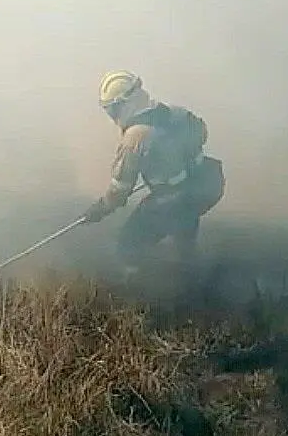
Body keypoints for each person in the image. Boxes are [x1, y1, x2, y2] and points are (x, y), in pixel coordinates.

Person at [83, 70, 226, 283]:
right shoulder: (177, 113)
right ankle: (193, 274)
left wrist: (99, 209)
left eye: (112, 109)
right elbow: (201, 134)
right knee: (184, 227)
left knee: (128, 243)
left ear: (125, 104)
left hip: (177, 199)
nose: (112, 116)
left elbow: (120, 190)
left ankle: (137, 290)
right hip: (207, 183)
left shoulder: (135, 139)